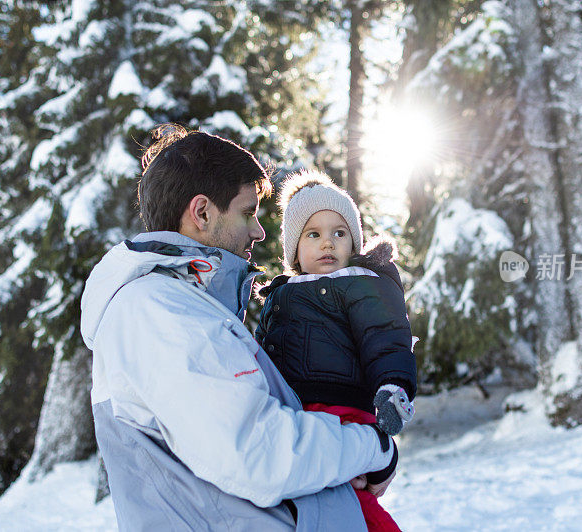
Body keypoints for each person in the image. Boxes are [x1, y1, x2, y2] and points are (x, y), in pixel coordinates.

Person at [80, 124, 398, 531]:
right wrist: (372, 447)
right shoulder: (157, 310)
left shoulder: (182, 307)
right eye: (247, 212)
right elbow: (259, 453)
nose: (259, 230)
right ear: (202, 212)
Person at [255, 171, 417, 532]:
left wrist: (392, 388)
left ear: (354, 242)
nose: (327, 243)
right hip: (293, 420)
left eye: (339, 233)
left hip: (345, 416)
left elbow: (386, 338)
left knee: (354, 506)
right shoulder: (278, 296)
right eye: (313, 234)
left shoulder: (361, 285)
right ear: (294, 249)